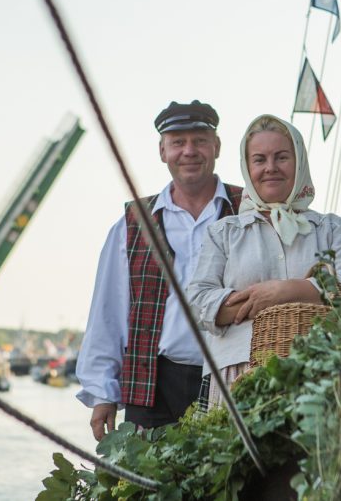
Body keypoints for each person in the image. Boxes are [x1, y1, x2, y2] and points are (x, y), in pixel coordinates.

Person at [76, 100, 243, 439]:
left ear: (217, 146)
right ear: (162, 150)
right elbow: (108, 310)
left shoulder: (249, 210)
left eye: (199, 140)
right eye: (178, 142)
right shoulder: (133, 223)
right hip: (153, 384)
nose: (189, 151)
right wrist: (102, 393)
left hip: (232, 375)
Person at [187, 114, 341, 405]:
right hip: (238, 373)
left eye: (282, 157)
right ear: (248, 168)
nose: (270, 168)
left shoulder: (335, 230)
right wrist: (257, 302)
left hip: (323, 369)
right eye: (259, 160)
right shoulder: (224, 233)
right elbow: (198, 301)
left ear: (299, 163)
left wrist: (287, 291)